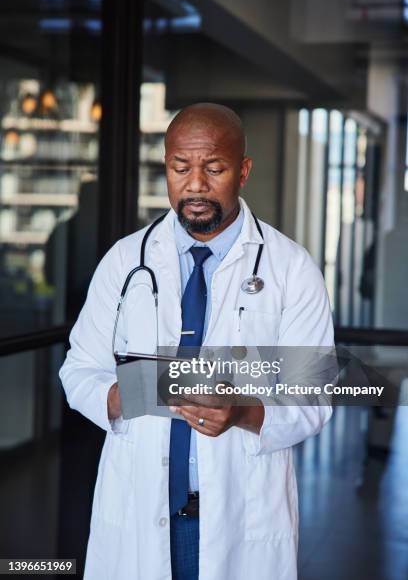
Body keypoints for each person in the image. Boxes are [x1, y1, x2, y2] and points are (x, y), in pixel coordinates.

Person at [59, 103, 334, 580]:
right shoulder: (125, 261)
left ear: (243, 171)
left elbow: (313, 395)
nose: (195, 185)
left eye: (215, 168)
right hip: (141, 514)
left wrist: (244, 412)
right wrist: (128, 393)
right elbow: (79, 369)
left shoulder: (291, 268)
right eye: (180, 168)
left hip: (238, 518)